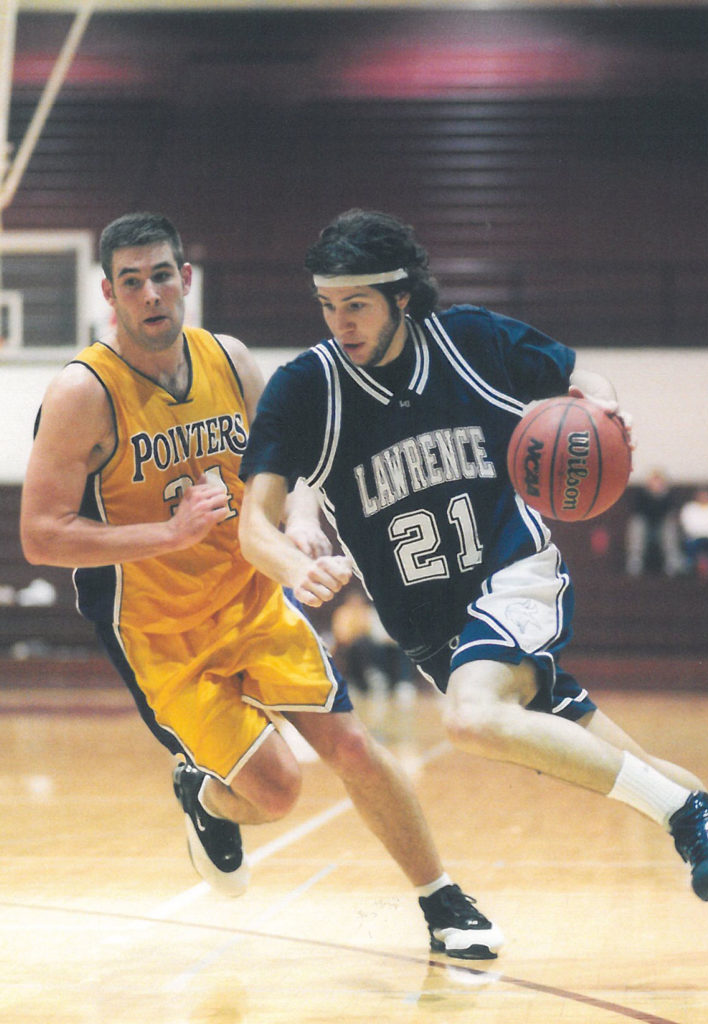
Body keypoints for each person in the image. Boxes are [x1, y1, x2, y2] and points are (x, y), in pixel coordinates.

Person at [238, 208, 708, 958]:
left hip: (510, 574)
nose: (340, 322)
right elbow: (251, 526)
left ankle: (695, 822)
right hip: (433, 632)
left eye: (355, 304)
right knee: (638, 772)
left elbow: (579, 371)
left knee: (470, 721)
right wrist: (296, 558)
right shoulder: (307, 389)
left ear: (401, 296)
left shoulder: (470, 342)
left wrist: (599, 403)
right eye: (327, 305)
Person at [18, 211, 502, 961]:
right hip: (159, 635)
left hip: (251, 599)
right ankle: (204, 795)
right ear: (110, 295)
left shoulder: (231, 359)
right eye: (132, 281)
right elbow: (41, 536)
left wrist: (301, 521)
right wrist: (166, 536)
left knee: (351, 743)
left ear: (187, 279)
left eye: (162, 275)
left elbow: (302, 455)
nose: (152, 294)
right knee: (276, 792)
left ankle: (442, 897)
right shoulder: (83, 393)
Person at [624, 467, 683, 577]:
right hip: (646, 526)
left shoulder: (669, 496)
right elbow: (638, 512)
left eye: (659, 481)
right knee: (637, 524)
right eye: (654, 481)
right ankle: (635, 560)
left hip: (662, 527)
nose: (656, 483)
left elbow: (671, 512)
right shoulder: (641, 495)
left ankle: (672, 561)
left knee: (669, 526)